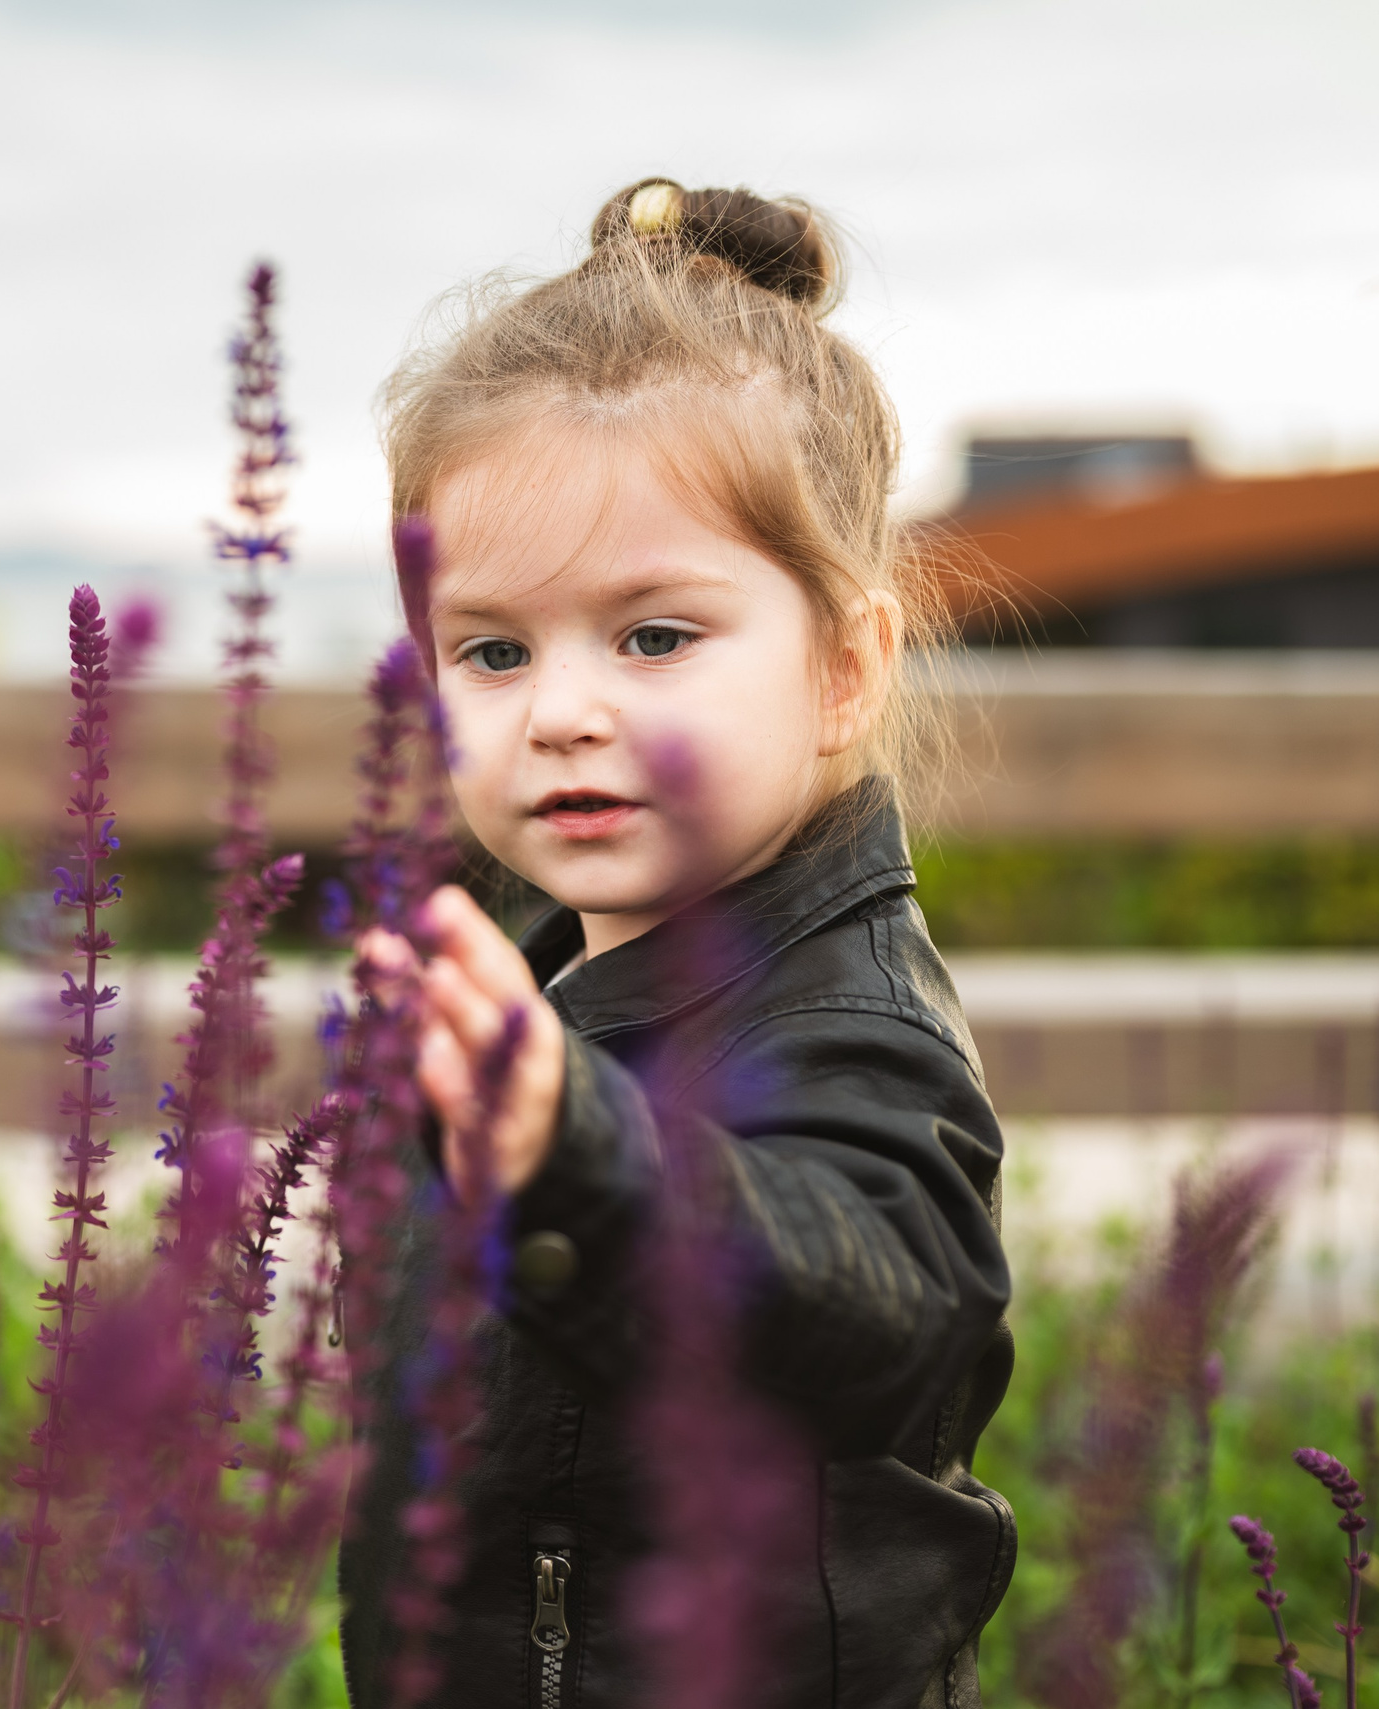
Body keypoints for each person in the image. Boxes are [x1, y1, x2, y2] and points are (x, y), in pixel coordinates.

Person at [338, 179, 1014, 1708]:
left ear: (843, 670)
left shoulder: (857, 1027)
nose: (563, 708)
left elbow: (870, 1318)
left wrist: (580, 1152)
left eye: (654, 635)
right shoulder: (528, 969)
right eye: (493, 648)